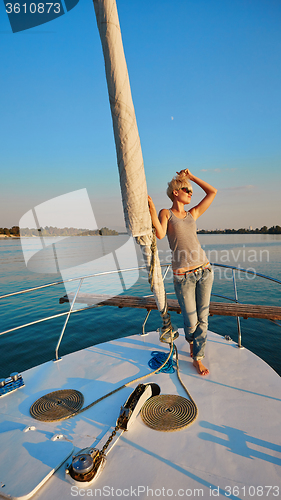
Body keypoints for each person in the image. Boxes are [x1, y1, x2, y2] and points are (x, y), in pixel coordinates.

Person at [148, 169, 217, 375]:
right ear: (175, 193)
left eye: (191, 191)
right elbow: (160, 234)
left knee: (203, 318)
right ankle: (193, 346)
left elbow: (212, 192)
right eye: (187, 189)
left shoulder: (192, 214)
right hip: (183, 276)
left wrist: (192, 177)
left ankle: (197, 357)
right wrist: (151, 208)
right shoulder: (166, 213)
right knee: (191, 320)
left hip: (204, 270)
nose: (190, 193)